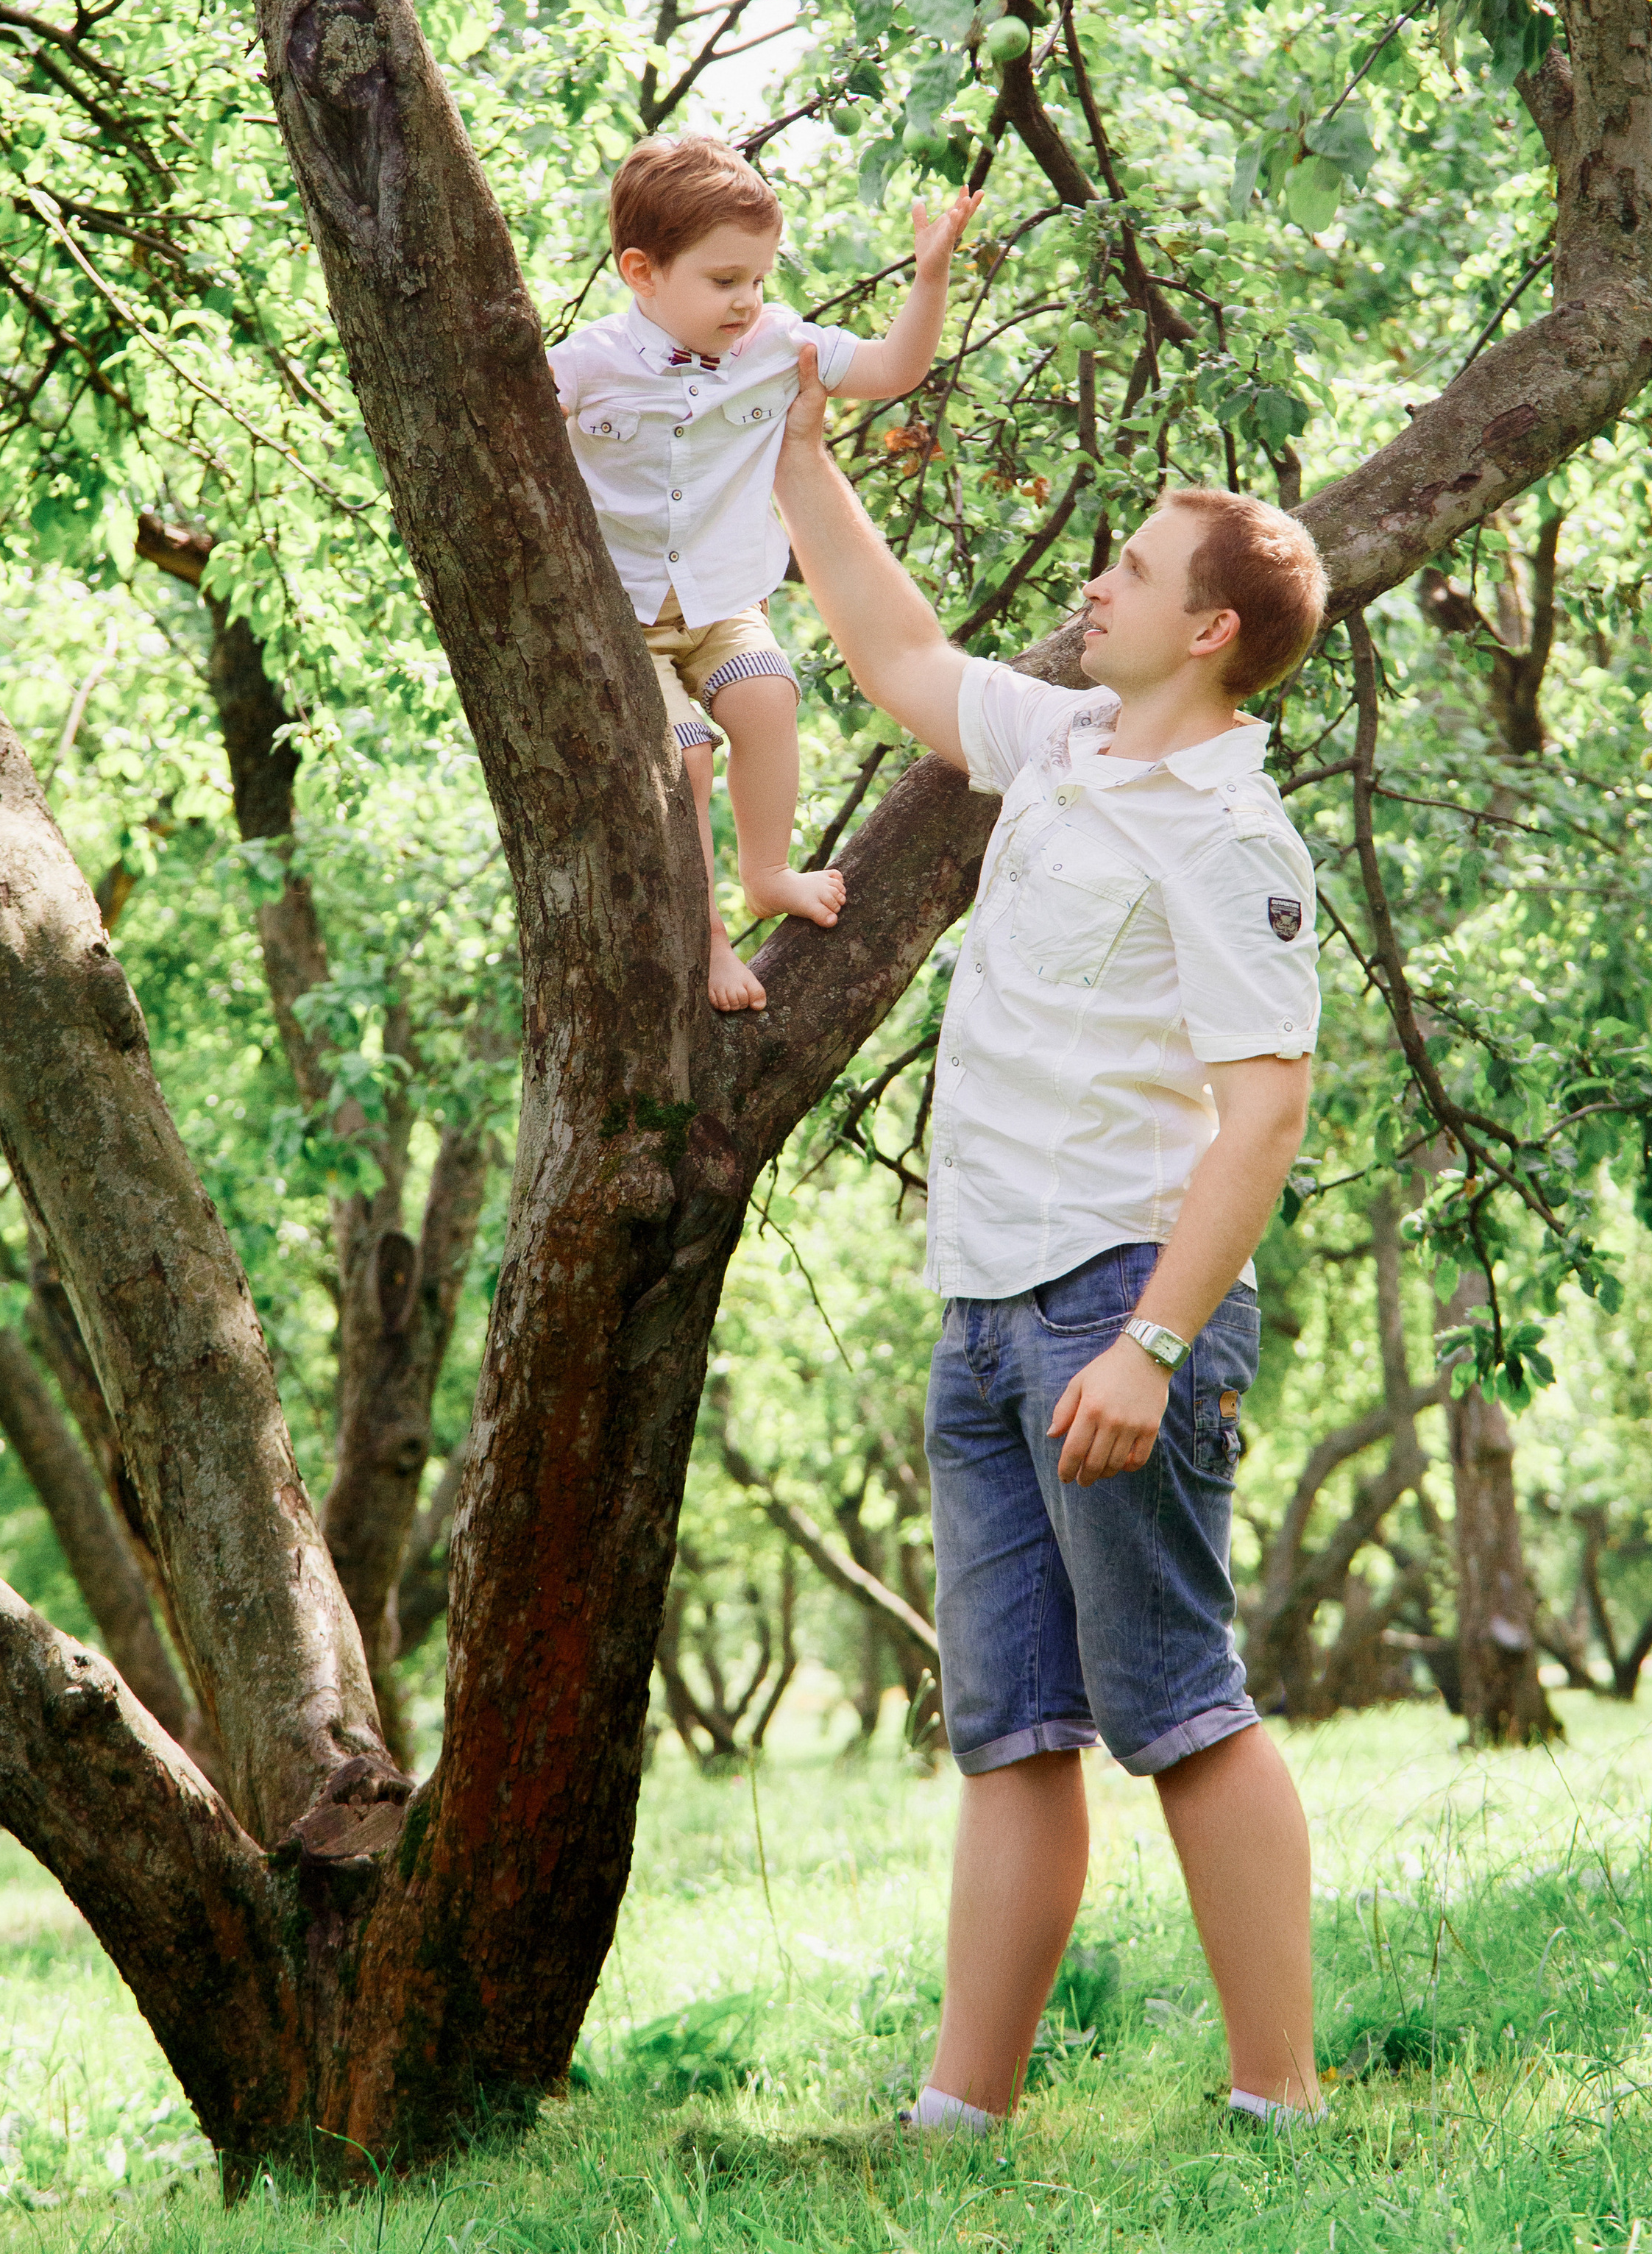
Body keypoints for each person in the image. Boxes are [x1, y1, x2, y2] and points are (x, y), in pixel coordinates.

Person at [771, 352, 1330, 2133]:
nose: (1097, 582)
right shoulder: (1075, 744)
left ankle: (1279, 2094)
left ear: (1215, 631)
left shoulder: (1236, 837)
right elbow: (901, 658)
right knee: (1008, 1727)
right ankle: (962, 2111)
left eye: (1136, 572)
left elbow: (1259, 1121)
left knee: (1177, 1706)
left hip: (1115, 1302)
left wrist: (1150, 1345)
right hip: (985, 1303)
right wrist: (797, 459)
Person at [549, 136, 979, 1012]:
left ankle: (768, 871)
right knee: (689, 754)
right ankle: (708, 940)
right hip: (619, 617)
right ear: (642, 272)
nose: (747, 301)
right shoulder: (587, 363)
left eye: (758, 278)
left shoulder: (781, 344)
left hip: (719, 599)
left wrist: (929, 277)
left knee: (766, 696)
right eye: (723, 281)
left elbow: (897, 370)